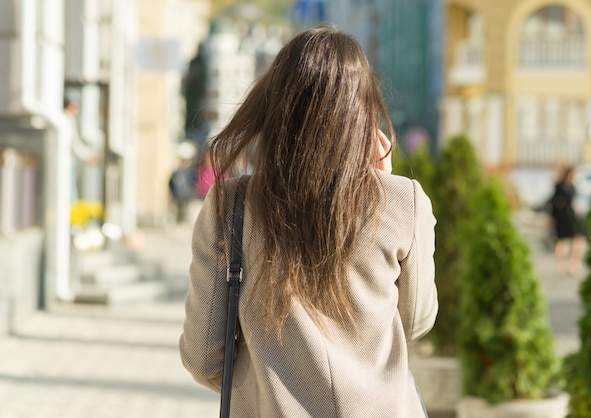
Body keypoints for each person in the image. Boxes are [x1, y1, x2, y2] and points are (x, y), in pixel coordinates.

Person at [179, 26, 438, 417]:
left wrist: (267, 383)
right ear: (362, 112)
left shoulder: (231, 206)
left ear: (275, 107)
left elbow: (203, 356)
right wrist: (384, 184)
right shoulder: (405, 202)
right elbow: (415, 319)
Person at [549, 165, 586, 275]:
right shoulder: (559, 187)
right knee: (562, 241)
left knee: (578, 240)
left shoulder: (573, 187)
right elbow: (554, 204)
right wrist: (553, 217)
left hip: (574, 217)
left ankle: (574, 264)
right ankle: (560, 264)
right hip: (562, 218)